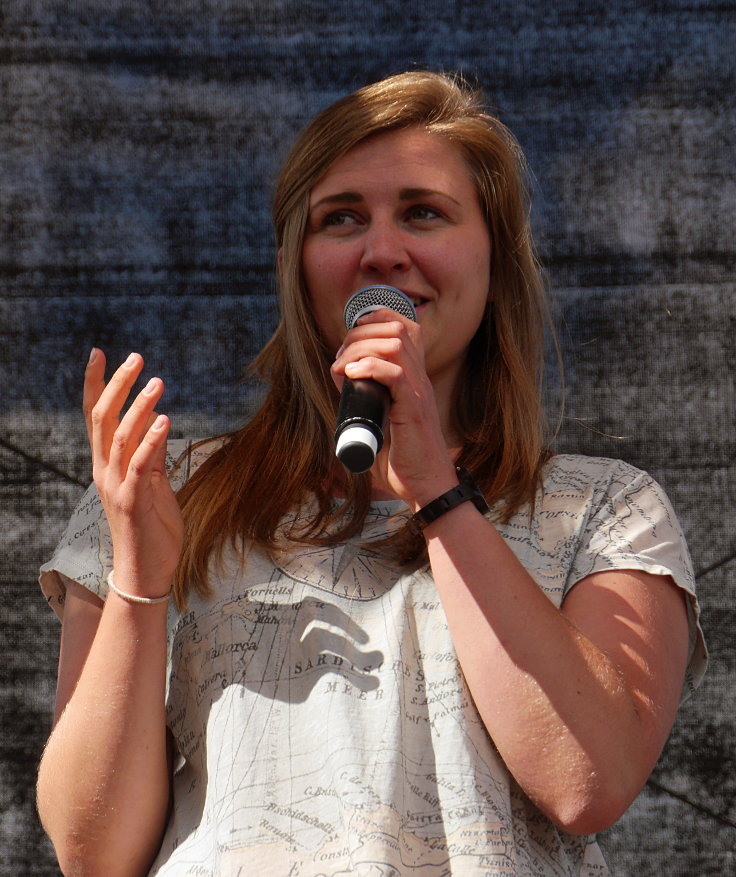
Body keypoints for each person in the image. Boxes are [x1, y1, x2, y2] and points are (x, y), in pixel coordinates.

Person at [36, 70, 706, 877]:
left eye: (423, 212)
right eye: (341, 218)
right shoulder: (165, 486)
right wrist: (141, 581)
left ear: (495, 254)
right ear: (296, 261)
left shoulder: (603, 507)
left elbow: (585, 780)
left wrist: (439, 490)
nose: (381, 251)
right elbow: (90, 853)